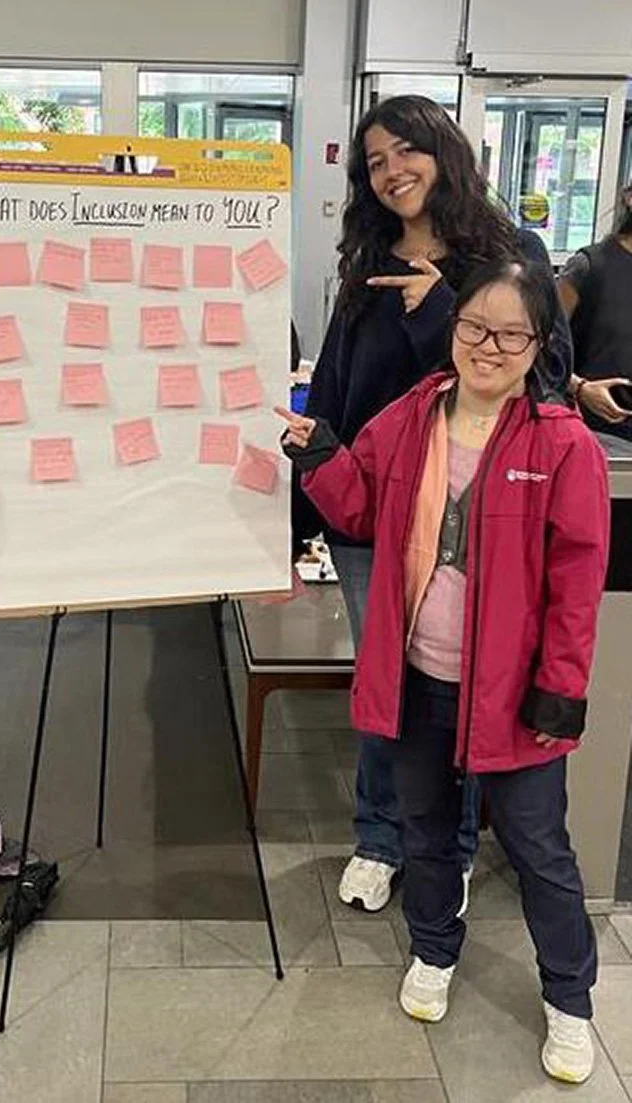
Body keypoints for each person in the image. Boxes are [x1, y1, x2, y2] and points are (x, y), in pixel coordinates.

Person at [277, 257, 607, 1084]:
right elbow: (355, 504)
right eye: (473, 327)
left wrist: (561, 688)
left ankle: (570, 999)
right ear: (453, 330)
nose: (486, 346)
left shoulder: (560, 442)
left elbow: (577, 581)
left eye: (509, 333)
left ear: (538, 345)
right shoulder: (414, 414)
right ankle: (433, 949)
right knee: (425, 831)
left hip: (515, 696)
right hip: (420, 676)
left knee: (539, 849)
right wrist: (318, 451)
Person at [297, 94, 572, 913]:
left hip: (477, 512)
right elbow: (338, 391)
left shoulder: (508, 252)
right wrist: (309, 504)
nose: (391, 172)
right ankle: (381, 835)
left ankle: (448, 847)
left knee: (461, 685)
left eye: (404, 151)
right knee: (389, 685)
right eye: (374, 162)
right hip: (371, 514)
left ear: (441, 150)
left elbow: (546, 381)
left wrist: (442, 314)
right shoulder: (368, 256)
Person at [558, 183, 632, 438]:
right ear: (629, 198)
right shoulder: (589, 267)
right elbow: (539, 348)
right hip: (599, 436)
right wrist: (581, 389)